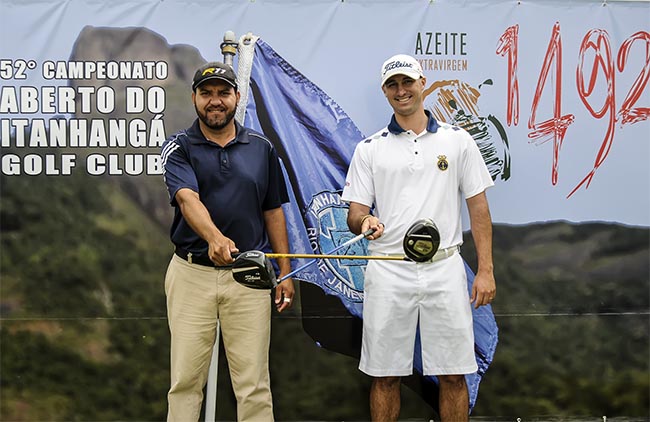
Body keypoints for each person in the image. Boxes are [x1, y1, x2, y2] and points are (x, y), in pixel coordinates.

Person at [341, 54, 496, 422]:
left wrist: (486, 269)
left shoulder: (458, 141)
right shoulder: (369, 148)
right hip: (388, 268)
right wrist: (365, 222)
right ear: (385, 91)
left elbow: (478, 206)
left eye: (407, 82)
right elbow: (355, 213)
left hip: (444, 267)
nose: (401, 90)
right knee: (385, 374)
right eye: (392, 85)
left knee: (453, 373)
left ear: (422, 83)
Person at [160, 61, 295, 421]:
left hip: (249, 275)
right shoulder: (178, 146)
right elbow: (188, 198)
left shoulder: (262, 148)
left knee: (253, 383)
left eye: (223, 93)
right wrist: (215, 237)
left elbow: (273, 212)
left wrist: (284, 271)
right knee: (186, 381)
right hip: (191, 274)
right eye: (207, 94)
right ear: (194, 99)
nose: (215, 101)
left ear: (237, 97)